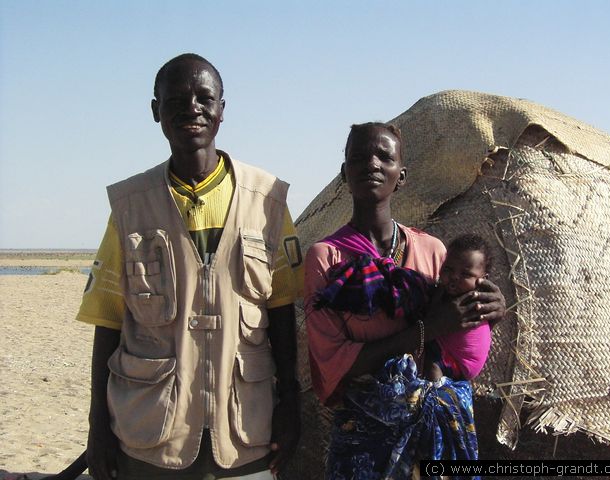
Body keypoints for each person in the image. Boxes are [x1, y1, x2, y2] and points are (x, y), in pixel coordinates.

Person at [76, 53, 302, 480]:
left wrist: (291, 405)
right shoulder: (129, 206)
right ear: (155, 110)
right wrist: (96, 427)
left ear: (222, 110)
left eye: (204, 97)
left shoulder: (268, 202)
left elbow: (283, 310)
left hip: (245, 432)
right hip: (150, 435)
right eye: (176, 99)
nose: (191, 108)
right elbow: (108, 321)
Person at [304, 122, 506, 479]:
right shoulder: (326, 258)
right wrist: (431, 328)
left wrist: (491, 308)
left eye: (385, 156)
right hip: (364, 443)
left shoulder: (433, 252)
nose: (372, 164)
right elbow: (336, 364)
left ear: (402, 175)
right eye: (359, 157)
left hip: (431, 442)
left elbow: (461, 332)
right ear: (344, 173)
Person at [424, 234, 494, 382]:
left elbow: (430, 319)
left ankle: (435, 398)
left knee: (430, 362)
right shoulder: (445, 292)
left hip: (458, 361)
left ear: (483, 279)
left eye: (465, 274)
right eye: (448, 269)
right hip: (456, 357)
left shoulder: (472, 301)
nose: (454, 277)